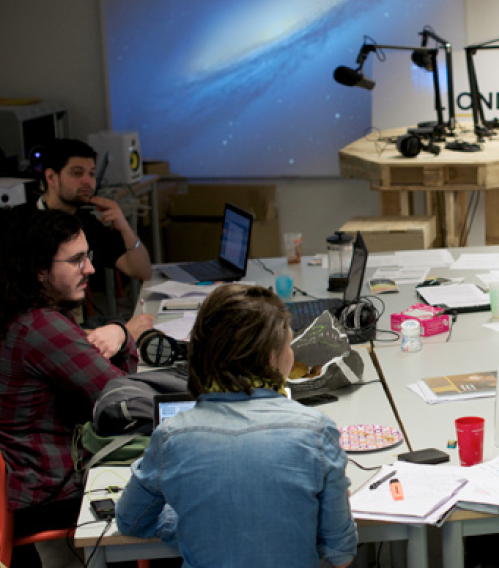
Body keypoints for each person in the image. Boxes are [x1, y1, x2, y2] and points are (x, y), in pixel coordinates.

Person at [116, 284, 358, 568]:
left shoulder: (172, 436)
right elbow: (341, 554)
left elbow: (131, 522)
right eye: (289, 345)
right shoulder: (316, 431)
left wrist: (196, 523)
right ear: (271, 358)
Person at [0, 208, 138, 567]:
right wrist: (124, 333)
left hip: (19, 487)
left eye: (88, 257)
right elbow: (125, 402)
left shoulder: (16, 313)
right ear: (39, 269)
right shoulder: (40, 326)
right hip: (48, 493)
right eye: (77, 260)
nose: (90, 269)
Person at [34, 138, 153, 338]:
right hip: (47, 336)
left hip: (75, 327)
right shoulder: (24, 228)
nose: (87, 181)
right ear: (51, 177)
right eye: (77, 173)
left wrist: (124, 226)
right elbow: (34, 327)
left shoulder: (85, 223)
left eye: (91, 173)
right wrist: (124, 334)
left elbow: (142, 270)